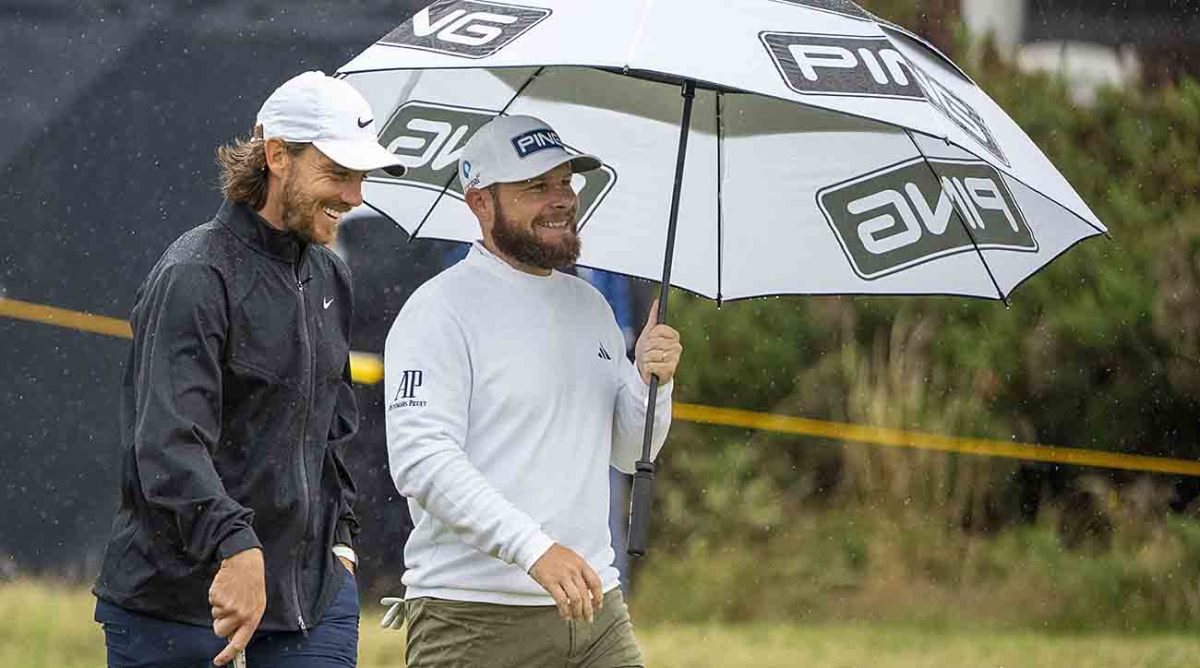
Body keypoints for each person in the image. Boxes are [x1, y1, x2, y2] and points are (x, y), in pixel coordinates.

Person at [91, 70, 406, 667]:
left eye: (360, 177)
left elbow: (331, 435)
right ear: (276, 155)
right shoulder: (194, 274)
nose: (355, 197)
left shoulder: (331, 277)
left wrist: (340, 544)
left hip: (310, 607)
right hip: (179, 610)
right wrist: (237, 547)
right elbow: (166, 444)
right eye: (337, 174)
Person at [382, 115, 683, 667]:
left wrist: (650, 385)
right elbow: (421, 460)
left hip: (596, 609)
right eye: (536, 187)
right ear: (480, 203)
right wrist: (535, 549)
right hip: (472, 616)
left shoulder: (591, 306)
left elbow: (626, 448)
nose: (562, 200)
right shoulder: (438, 309)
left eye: (566, 182)